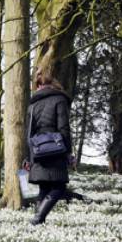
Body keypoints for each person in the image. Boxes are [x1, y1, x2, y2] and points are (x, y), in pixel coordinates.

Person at [25, 71, 73, 225]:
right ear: (53, 83)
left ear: (38, 85)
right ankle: (37, 219)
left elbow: (29, 133)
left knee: (44, 188)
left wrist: (29, 157)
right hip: (55, 150)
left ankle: (39, 222)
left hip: (38, 151)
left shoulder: (32, 105)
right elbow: (64, 128)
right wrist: (68, 153)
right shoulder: (59, 99)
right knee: (59, 186)